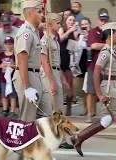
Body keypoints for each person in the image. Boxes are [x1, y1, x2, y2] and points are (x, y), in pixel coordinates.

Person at [71, 22, 116, 160]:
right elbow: (96, 72)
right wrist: (99, 94)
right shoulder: (105, 52)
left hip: (113, 85)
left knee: (107, 119)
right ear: (109, 36)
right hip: (110, 87)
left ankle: (79, 138)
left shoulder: (111, 51)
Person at [12, 0, 52, 160]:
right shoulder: (26, 32)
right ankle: (24, 156)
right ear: (30, 14)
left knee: (46, 115)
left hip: (35, 75)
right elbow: (22, 60)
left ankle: (36, 151)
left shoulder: (34, 32)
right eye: (39, 12)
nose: (42, 15)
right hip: (26, 75)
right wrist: (27, 87)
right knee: (28, 119)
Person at [40, 13, 71, 149]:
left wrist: (62, 79)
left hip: (56, 72)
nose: (60, 25)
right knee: (51, 108)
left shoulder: (54, 39)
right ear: (50, 24)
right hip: (48, 74)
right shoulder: (45, 40)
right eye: (57, 23)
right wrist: (52, 81)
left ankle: (59, 137)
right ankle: (52, 137)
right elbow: (44, 61)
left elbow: (57, 63)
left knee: (59, 107)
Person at [0, 36, 18, 118]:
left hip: (12, 78)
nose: (8, 46)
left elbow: (18, 65)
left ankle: (12, 110)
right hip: (3, 78)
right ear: (4, 45)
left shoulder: (14, 55)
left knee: (13, 95)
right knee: (4, 95)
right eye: (7, 44)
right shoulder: (1, 55)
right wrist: (1, 65)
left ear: (13, 45)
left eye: (10, 44)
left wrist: (11, 65)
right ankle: (5, 109)